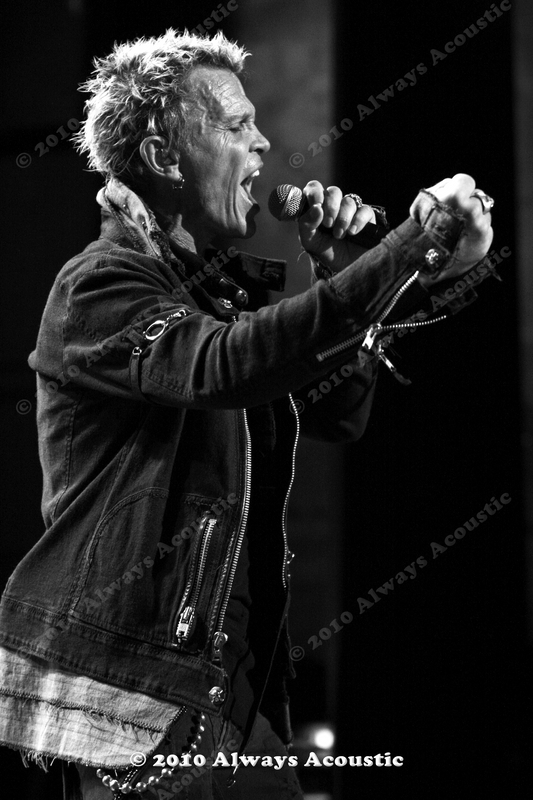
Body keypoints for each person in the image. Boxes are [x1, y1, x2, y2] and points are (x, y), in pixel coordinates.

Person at [0, 29, 493, 800]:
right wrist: (411, 248)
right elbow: (228, 366)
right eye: (235, 126)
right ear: (165, 158)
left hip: (225, 692)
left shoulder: (210, 296)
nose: (262, 143)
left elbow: (336, 414)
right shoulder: (97, 286)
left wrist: (336, 270)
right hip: (134, 696)